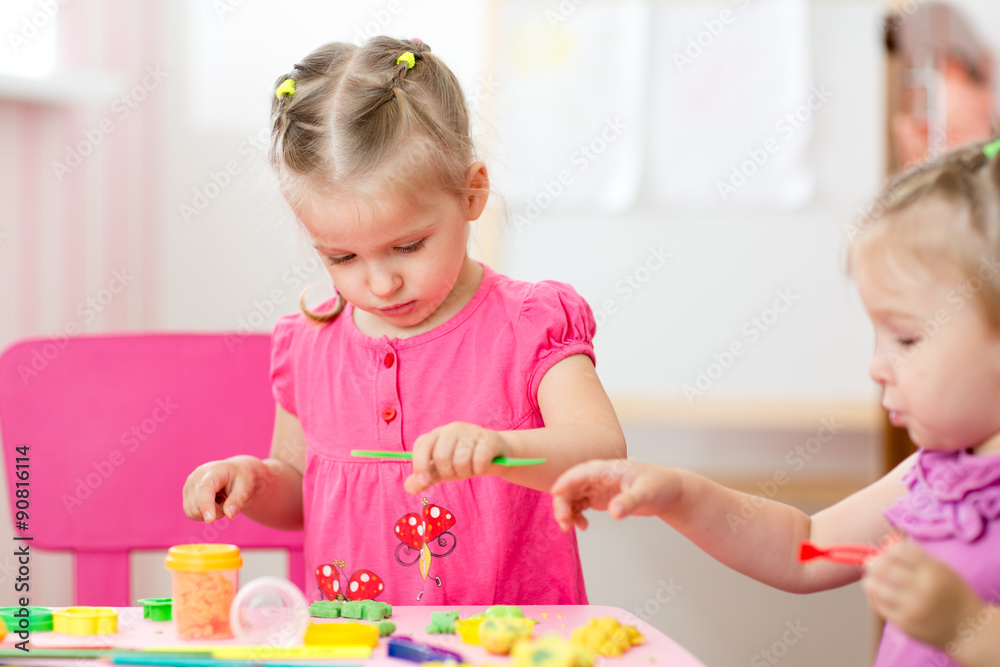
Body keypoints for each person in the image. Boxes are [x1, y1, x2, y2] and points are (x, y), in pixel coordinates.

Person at [181, 36, 626, 606]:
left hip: (511, 645)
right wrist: (255, 480)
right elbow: (299, 494)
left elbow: (602, 453)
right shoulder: (309, 344)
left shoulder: (530, 324)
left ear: (472, 193)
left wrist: (500, 448)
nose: (381, 283)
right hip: (357, 644)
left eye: (409, 246)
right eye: (342, 258)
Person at [551, 141, 1000, 666]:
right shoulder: (934, 475)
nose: (875, 367)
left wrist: (966, 628)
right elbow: (804, 547)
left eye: (904, 338)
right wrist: (679, 496)